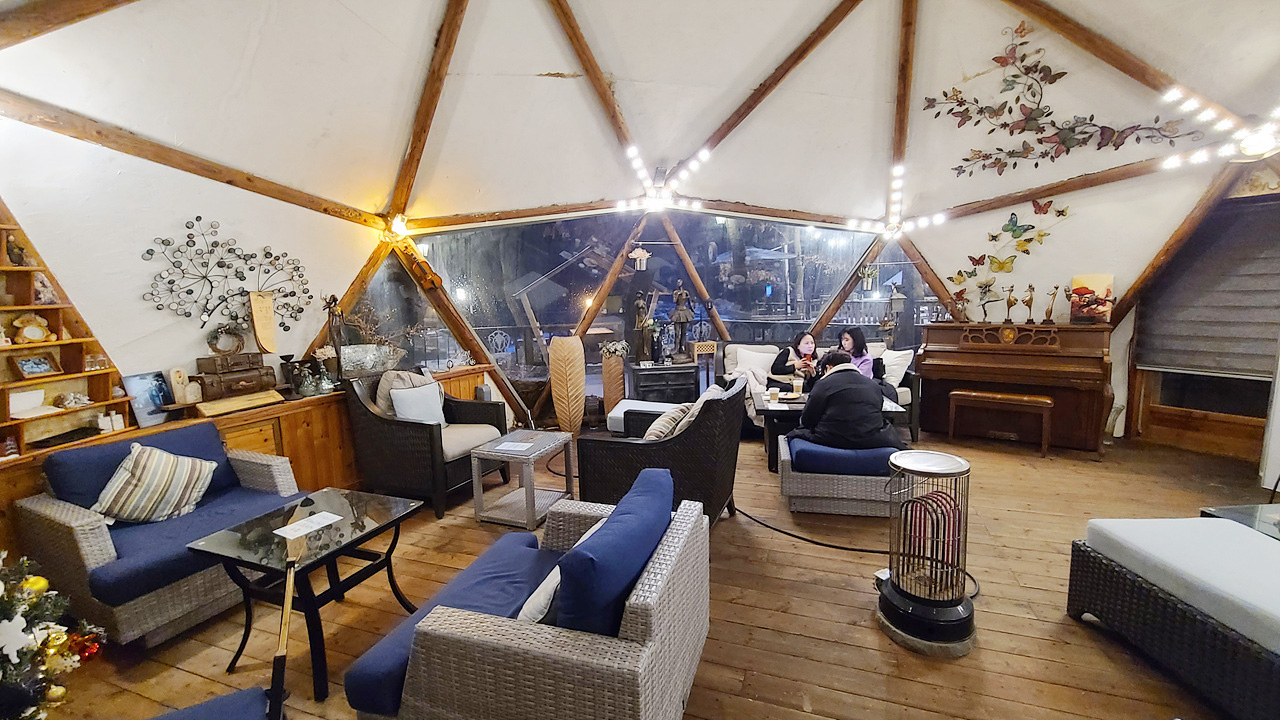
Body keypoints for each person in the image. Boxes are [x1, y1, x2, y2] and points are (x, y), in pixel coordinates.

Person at [787, 350, 907, 451]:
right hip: (871, 441)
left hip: (832, 440)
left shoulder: (823, 384)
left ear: (828, 368)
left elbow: (807, 420)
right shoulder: (873, 384)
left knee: (794, 432)